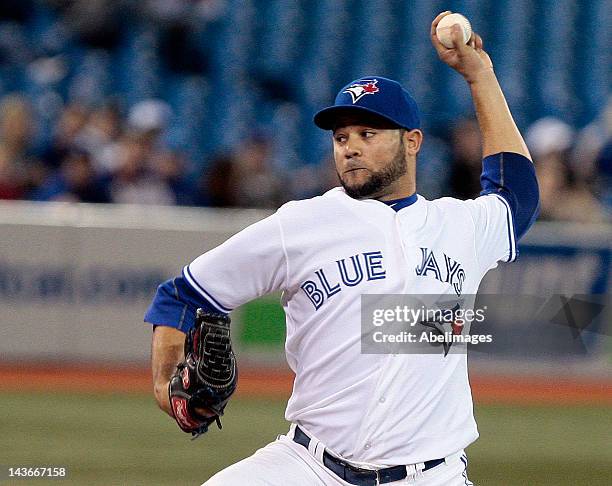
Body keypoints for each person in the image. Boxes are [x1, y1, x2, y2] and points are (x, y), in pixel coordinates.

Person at [144, 11, 539, 486]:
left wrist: (480, 75)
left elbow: (516, 193)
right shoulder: (302, 223)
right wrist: (165, 386)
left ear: (412, 142)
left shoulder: (458, 226)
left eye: (368, 134)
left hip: (432, 476)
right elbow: (183, 295)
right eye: (341, 136)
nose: (350, 147)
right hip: (309, 465)